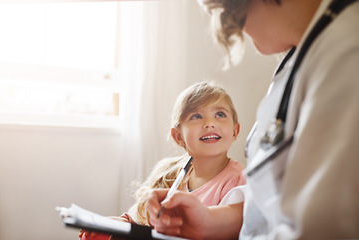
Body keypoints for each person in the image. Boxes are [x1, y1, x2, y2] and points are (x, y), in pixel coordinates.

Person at [146, 0, 359, 239]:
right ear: (177, 135)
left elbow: (322, 227)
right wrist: (207, 222)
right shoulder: (302, 56)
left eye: (224, 9)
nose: (227, 26)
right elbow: (267, 208)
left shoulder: (347, 56)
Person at [79, 81, 246, 239]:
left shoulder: (238, 182)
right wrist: (120, 223)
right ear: (178, 136)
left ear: (235, 131)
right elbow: (140, 219)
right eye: (196, 116)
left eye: (220, 114)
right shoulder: (169, 174)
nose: (210, 123)